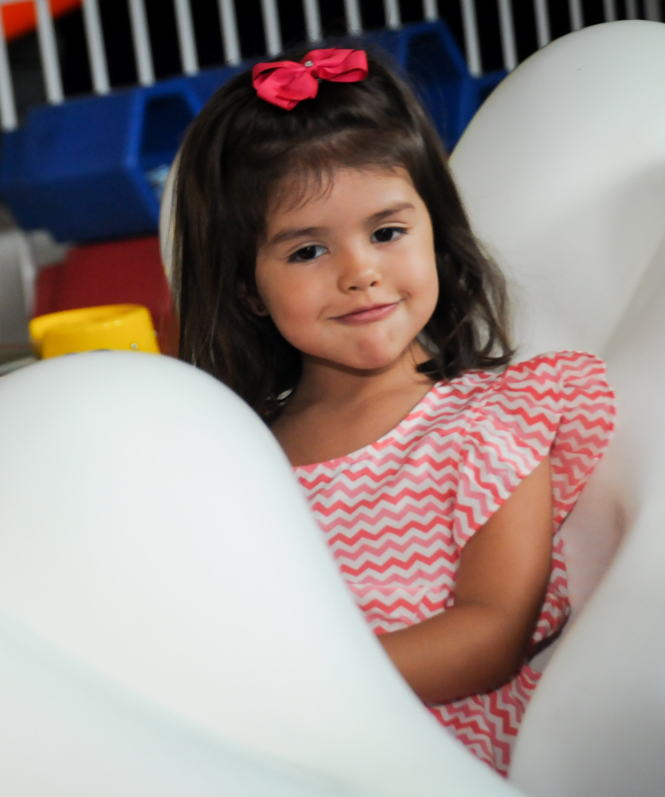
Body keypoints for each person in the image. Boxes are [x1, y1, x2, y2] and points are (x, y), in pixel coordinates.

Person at [169, 45, 615, 776]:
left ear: (435, 233)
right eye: (308, 250)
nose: (359, 272)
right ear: (249, 288)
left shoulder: (486, 427)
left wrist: (297, 688)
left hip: (432, 762)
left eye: (386, 232)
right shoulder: (239, 451)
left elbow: (491, 634)